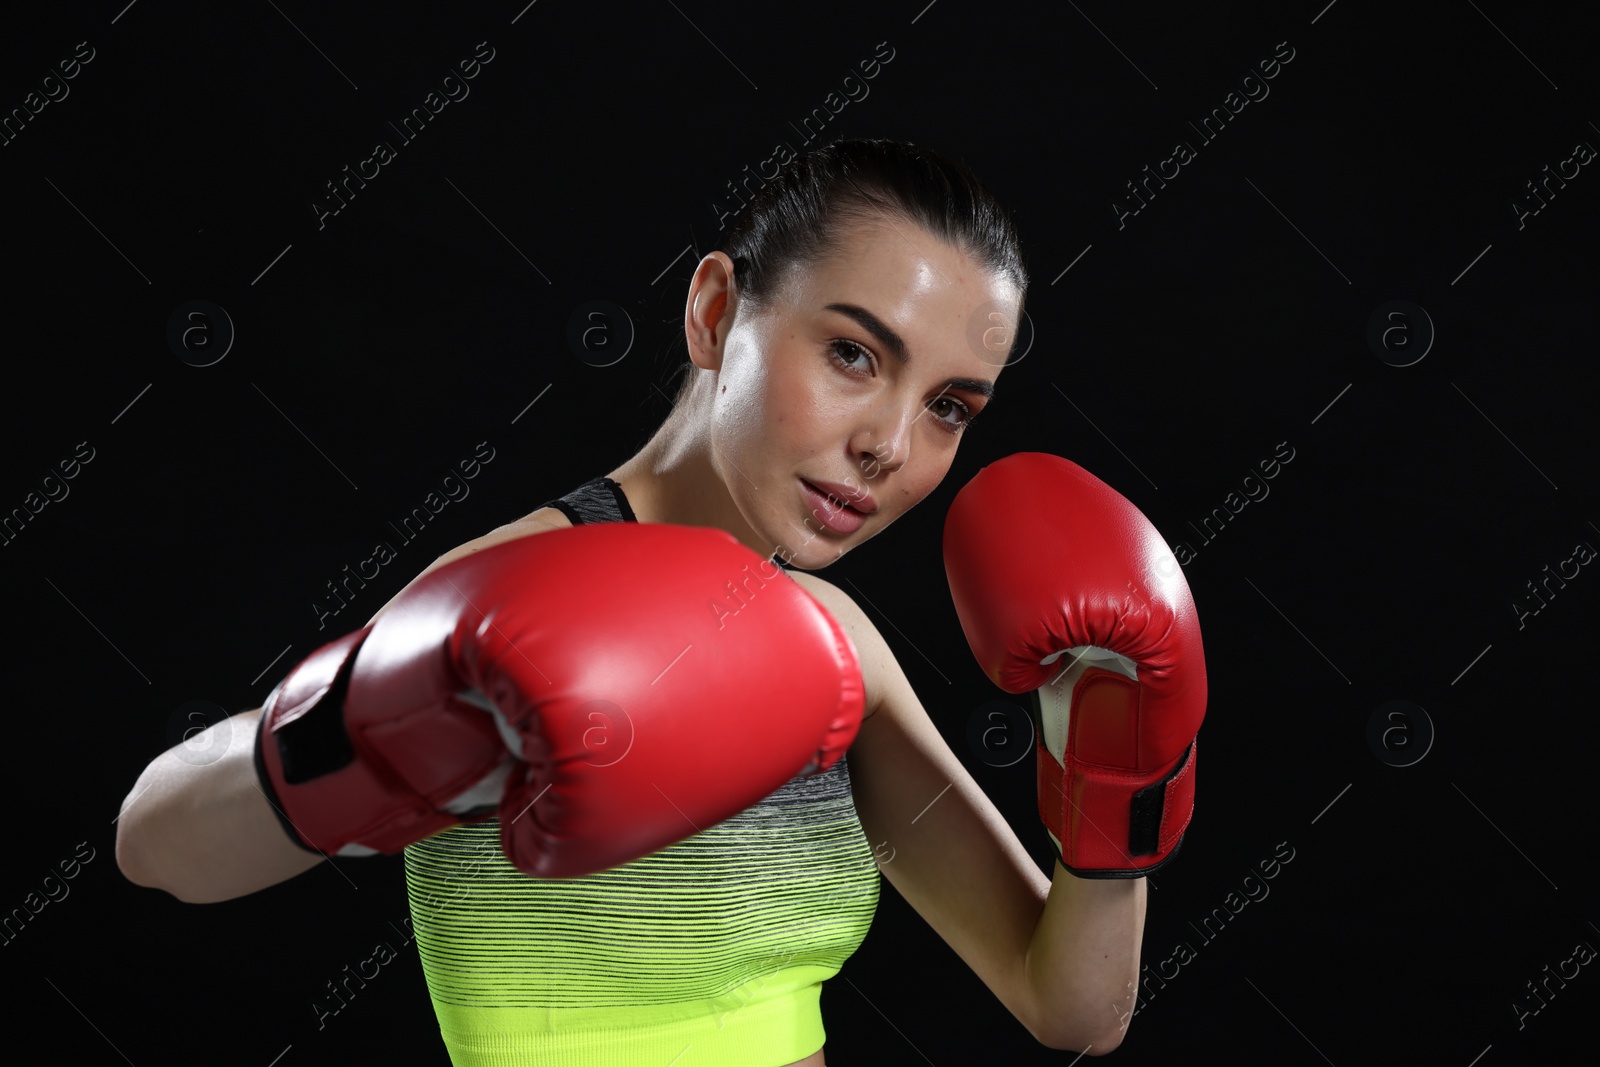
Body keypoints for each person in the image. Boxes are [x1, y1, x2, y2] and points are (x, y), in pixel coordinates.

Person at [115, 138, 1205, 1065]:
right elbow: (153, 841)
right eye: (852, 352)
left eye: (950, 406)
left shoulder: (836, 647)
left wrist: (1121, 759)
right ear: (717, 310)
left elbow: (1071, 1005)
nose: (889, 444)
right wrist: (382, 726)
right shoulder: (503, 594)